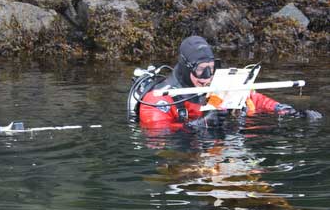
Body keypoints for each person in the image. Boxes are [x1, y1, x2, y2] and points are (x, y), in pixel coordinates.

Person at [134, 36, 321, 129]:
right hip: (182, 159)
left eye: (211, 67)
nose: (207, 76)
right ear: (186, 68)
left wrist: (284, 109)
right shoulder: (159, 99)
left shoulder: (219, 83)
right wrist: (200, 125)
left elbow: (251, 97)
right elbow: (158, 135)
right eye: (201, 69)